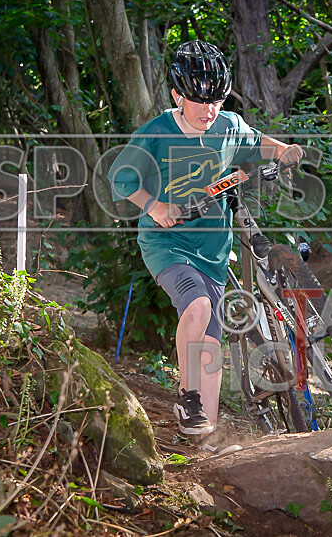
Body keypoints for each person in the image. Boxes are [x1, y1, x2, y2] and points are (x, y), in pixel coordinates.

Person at [107, 40, 303, 437]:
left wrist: (282, 150)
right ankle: (186, 396)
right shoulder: (156, 132)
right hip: (168, 245)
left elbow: (256, 141)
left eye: (216, 100)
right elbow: (120, 178)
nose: (208, 111)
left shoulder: (227, 125)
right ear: (178, 96)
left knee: (210, 346)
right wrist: (154, 206)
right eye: (199, 101)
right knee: (196, 307)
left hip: (214, 251)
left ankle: (203, 437)